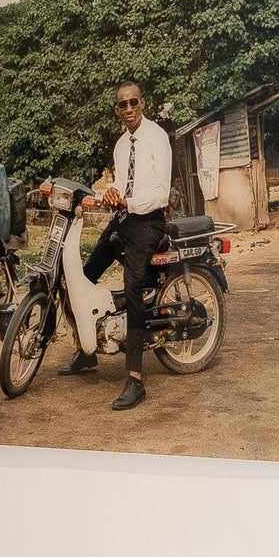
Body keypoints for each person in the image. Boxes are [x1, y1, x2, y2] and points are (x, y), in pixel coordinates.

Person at [74, 79, 174, 411]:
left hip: (149, 220)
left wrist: (128, 202)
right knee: (85, 275)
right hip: (124, 217)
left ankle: (135, 380)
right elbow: (121, 181)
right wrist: (113, 192)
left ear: (142, 103)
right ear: (116, 110)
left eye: (133, 102)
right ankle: (86, 350)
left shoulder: (157, 137)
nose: (128, 108)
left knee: (132, 287)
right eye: (122, 104)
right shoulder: (120, 145)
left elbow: (161, 192)